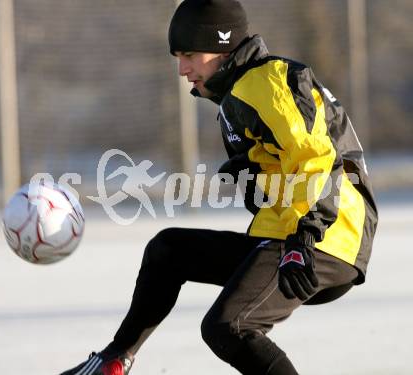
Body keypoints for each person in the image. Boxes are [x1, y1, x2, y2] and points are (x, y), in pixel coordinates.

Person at [60, 1, 378, 374]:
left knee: (229, 326)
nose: (182, 69)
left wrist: (304, 236)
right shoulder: (242, 93)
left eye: (190, 54)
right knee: (169, 250)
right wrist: (256, 180)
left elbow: (316, 157)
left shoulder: (264, 82)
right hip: (293, 234)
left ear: (222, 45)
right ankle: (114, 360)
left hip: (323, 240)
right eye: (178, 57)